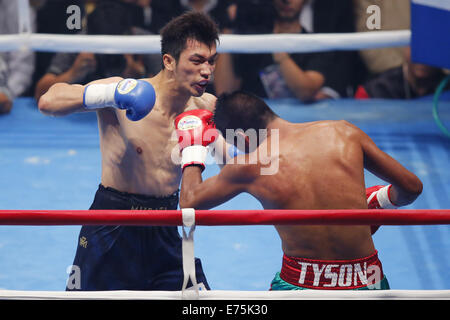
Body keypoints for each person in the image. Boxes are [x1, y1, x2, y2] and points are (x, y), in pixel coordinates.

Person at [38, 11, 223, 291]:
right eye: (197, 61)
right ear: (168, 61)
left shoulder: (206, 107)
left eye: (211, 61)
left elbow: (241, 160)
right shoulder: (122, 94)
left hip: (166, 226)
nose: (207, 71)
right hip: (112, 224)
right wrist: (109, 94)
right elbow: (48, 101)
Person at [177, 90, 423, 290]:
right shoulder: (344, 133)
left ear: (244, 137)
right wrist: (380, 199)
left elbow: (189, 202)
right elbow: (411, 187)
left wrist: (192, 146)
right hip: (367, 281)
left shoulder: (253, 164)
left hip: (302, 286)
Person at [34, 1, 162, 101]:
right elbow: (41, 93)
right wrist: (72, 74)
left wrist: (143, 80)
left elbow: (171, 90)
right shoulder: (80, 44)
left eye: (116, 46)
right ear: (91, 36)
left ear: (128, 33)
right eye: (103, 47)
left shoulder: (141, 42)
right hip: (82, 113)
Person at [214, 0, 338, 102]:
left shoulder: (315, 44)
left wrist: (276, 46)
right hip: (256, 124)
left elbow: (305, 92)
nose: (287, 1)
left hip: (298, 125)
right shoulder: (251, 42)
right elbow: (224, 92)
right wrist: (229, 28)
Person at [355, 47, 450, 99]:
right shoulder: (374, 90)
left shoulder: (446, 89)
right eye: (417, 47)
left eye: (430, 49)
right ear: (406, 49)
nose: (422, 58)